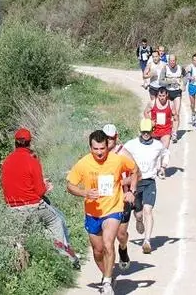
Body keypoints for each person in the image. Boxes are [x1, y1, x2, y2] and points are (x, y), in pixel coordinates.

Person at [67, 129, 137, 294]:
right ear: (90, 148)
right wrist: (85, 193)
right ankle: (108, 275)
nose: (99, 153)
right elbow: (70, 185)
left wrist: (131, 191)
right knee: (98, 251)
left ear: (108, 146)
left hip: (113, 209)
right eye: (95, 149)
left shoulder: (117, 160)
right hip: (92, 213)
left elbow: (135, 170)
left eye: (102, 149)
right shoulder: (83, 163)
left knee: (107, 243)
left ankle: (106, 283)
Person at [0, 127, 79, 267]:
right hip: (33, 205)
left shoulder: (7, 161)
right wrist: (46, 186)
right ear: (30, 143)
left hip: (12, 207)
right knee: (57, 220)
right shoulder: (32, 160)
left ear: (15, 143)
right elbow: (39, 191)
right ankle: (66, 258)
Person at [122, 119, 164, 254]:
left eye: (148, 132)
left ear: (152, 131)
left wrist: (162, 167)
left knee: (148, 210)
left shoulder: (158, 145)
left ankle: (147, 241)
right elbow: (120, 154)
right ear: (140, 131)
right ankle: (139, 220)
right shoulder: (131, 144)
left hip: (149, 182)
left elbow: (165, 154)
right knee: (139, 213)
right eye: (143, 132)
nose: (146, 134)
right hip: (136, 183)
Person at [103, 124, 135, 270]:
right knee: (106, 237)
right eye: (105, 138)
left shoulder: (123, 154)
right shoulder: (98, 153)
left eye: (111, 138)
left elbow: (137, 174)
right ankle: (108, 270)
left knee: (120, 235)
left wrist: (123, 184)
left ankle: (123, 248)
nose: (108, 140)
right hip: (105, 199)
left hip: (122, 199)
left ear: (116, 137)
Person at [150, 87, 176, 177]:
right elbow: (145, 112)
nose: (161, 98)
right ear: (157, 95)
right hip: (155, 130)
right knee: (154, 151)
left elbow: (175, 117)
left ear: (167, 95)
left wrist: (174, 130)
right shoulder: (152, 103)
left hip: (166, 130)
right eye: (160, 96)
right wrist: (150, 121)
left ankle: (162, 169)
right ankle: (152, 169)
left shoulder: (171, 104)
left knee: (164, 151)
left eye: (163, 96)